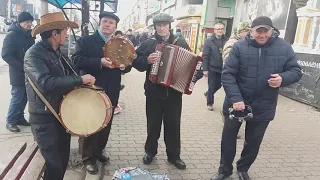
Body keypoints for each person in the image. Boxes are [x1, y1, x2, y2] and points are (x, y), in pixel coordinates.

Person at [210, 16, 302, 180]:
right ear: (251, 32)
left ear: (271, 31)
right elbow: (228, 74)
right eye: (258, 31)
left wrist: (283, 78)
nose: (261, 35)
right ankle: (224, 170)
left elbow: (295, 71)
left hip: (264, 104)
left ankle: (243, 169)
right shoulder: (239, 46)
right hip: (236, 103)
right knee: (228, 139)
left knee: (253, 142)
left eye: (265, 31)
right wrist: (236, 98)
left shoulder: (284, 47)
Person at [24, 12, 96, 180]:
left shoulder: (58, 52)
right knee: (53, 164)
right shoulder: (33, 54)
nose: (67, 35)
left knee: (63, 161)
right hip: (44, 118)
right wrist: (79, 79)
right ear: (55, 34)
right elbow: (46, 83)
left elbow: (70, 74)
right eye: (65, 31)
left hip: (60, 114)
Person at [72, 12, 131, 174]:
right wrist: (99, 62)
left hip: (112, 89)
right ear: (100, 23)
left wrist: (124, 66)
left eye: (111, 23)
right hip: (92, 90)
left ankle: (98, 152)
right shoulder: (86, 41)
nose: (107, 25)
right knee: (91, 122)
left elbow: (128, 63)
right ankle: (88, 158)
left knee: (105, 122)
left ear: (115, 27)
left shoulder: (119, 43)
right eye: (105, 21)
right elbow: (76, 60)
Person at [132, 13, 190, 170]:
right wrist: (146, 60)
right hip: (153, 92)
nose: (162, 28)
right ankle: (150, 151)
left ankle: (174, 156)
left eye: (165, 25)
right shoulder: (149, 43)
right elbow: (135, 62)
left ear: (169, 26)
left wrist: (193, 77)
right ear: (155, 27)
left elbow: (191, 64)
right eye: (159, 25)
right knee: (153, 124)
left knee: (173, 125)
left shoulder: (181, 41)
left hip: (174, 93)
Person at [1, 12, 35, 132]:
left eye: (31, 22)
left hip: (28, 72)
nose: (29, 24)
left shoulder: (29, 35)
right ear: (20, 22)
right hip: (17, 72)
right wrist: (21, 66)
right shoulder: (12, 35)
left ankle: (19, 118)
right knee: (17, 97)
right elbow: (5, 54)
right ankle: (10, 121)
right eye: (27, 22)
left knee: (25, 97)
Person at [221, 22, 251, 139]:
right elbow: (227, 62)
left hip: (242, 81)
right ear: (240, 32)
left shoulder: (246, 43)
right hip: (233, 79)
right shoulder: (233, 43)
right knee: (232, 101)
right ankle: (230, 122)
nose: (248, 34)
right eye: (246, 31)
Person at [202, 23, 228, 111]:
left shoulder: (226, 40)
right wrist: (205, 69)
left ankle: (208, 93)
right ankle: (210, 103)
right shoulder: (209, 41)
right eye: (218, 29)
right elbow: (205, 56)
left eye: (221, 29)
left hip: (222, 68)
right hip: (212, 67)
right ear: (214, 30)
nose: (220, 30)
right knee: (212, 85)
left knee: (219, 84)